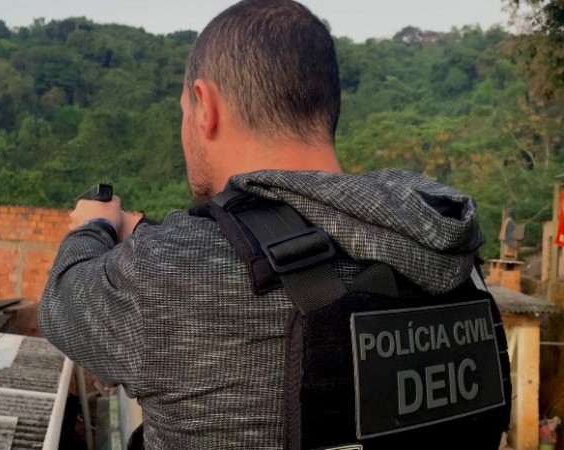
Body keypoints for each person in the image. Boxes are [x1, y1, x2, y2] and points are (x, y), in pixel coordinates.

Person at [39, 1, 505, 449]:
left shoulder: (163, 275)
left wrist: (92, 227)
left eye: (184, 112)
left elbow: (62, 302)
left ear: (205, 106)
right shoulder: (444, 247)